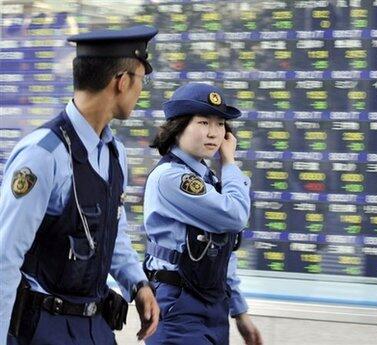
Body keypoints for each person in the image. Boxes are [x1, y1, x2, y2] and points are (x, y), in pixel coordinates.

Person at [0, 25, 160, 345]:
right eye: (141, 80)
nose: (141, 91)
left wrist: (138, 284)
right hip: (44, 328)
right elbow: (4, 258)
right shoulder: (44, 155)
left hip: (95, 326)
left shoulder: (114, 153)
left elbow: (110, 234)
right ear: (122, 82)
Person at [143, 82, 263, 345]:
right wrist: (229, 163)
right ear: (178, 126)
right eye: (203, 122)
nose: (213, 133)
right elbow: (235, 215)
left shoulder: (205, 176)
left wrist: (239, 310)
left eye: (220, 124)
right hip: (178, 305)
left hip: (212, 302)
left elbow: (224, 247)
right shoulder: (172, 178)